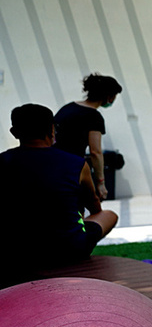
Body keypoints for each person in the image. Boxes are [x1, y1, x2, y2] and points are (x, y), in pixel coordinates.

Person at [0, 103, 118, 280]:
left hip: (15, 251)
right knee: (109, 215)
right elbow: (94, 206)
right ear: (52, 130)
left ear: (14, 132)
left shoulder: (3, 161)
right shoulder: (76, 164)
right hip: (68, 250)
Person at [54, 73, 123, 200]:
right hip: (72, 169)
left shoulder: (68, 108)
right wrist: (101, 182)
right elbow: (95, 151)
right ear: (108, 96)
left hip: (52, 164)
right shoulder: (94, 117)